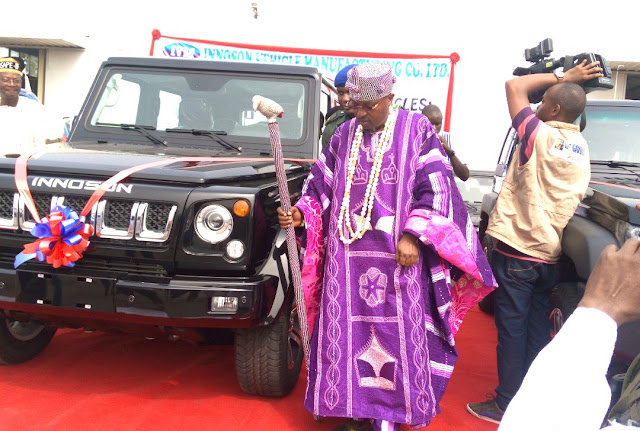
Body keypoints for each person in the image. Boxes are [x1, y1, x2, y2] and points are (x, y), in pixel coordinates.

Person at [277, 62, 497, 431]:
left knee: (397, 338)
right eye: (355, 105)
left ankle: (389, 417)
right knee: (347, 335)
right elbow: (320, 185)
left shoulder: (416, 129)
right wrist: (302, 213)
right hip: (346, 261)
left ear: (389, 98)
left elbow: (437, 188)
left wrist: (413, 234)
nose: (360, 113)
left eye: (369, 106)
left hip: (399, 260)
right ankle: (353, 410)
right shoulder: (343, 134)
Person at [466, 59, 605, 424]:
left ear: (555, 109)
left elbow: (514, 87)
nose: (538, 106)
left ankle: (505, 404)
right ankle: (532, 400)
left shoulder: (538, 135)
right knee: (537, 331)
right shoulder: (581, 147)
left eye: (544, 102)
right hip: (550, 254)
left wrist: (564, 76)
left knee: (511, 329)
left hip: (517, 250)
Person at [499, 236, 640, 431]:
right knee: (534, 324)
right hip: (546, 254)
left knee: (513, 322)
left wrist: (600, 310)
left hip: (520, 249)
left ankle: (503, 398)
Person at [0, 56, 62, 156]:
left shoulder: (37, 111)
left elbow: (50, 147)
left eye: (16, 81)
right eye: (6, 80)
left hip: (27, 164)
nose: (11, 84)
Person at [421, 104, 469, 181]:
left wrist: (449, 152)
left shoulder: (447, 139)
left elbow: (465, 176)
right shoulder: (415, 141)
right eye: (430, 124)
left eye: (437, 124)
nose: (434, 128)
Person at [321, 63, 357, 149]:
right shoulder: (333, 127)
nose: (345, 99)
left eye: (350, 92)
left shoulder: (378, 123)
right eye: (340, 93)